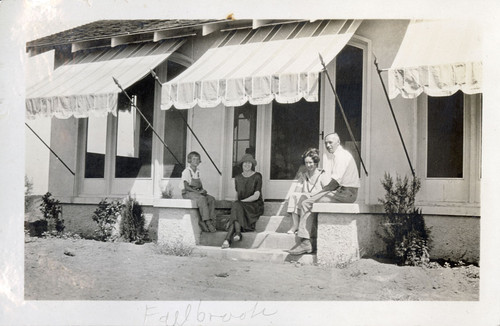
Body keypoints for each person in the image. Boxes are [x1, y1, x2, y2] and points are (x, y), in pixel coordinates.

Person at [288, 133, 360, 255]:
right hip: (344, 191)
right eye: (326, 143)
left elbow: (334, 183)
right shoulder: (339, 155)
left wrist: (317, 195)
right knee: (310, 200)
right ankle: (311, 240)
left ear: (338, 142)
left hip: (346, 193)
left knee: (306, 203)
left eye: (330, 142)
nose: (328, 145)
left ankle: (305, 243)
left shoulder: (341, 156)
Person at [222, 154, 264, 249]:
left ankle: (228, 238)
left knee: (237, 206)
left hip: (254, 205)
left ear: (252, 164)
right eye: (245, 163)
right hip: (241, 206)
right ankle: (236, 234)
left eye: (249, 163)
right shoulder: (237, 178)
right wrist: (237, 205)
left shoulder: (257, 176)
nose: (247, 165)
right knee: (236, 206)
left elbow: (256, 195)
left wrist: (241, 202)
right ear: (241, 164)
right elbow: (237, 194)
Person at [286, 148, 327, 234]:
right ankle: (295, 225)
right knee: (294, 196)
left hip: (317, 200)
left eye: (310, 162)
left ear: (315, 163)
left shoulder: (322, 175)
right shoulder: (304, 175)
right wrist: (300, 180)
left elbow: (326, 191)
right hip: (306, 200)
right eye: (306, 163)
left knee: (303, 198)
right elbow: (297, 191)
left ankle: (302, 227)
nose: (308, 165)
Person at [180, 151, 217, 233]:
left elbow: (199, 185)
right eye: (194, 159)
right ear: (189, 160)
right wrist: (199, 193)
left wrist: (202, 191)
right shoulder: (186, 171)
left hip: (196, 192)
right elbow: (186, 187)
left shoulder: (197, 171)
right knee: (202, 199)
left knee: (211, 199)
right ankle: (206, 221)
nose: (196, 161)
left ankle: (211, 220)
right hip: (187, 193)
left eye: (198, 159)